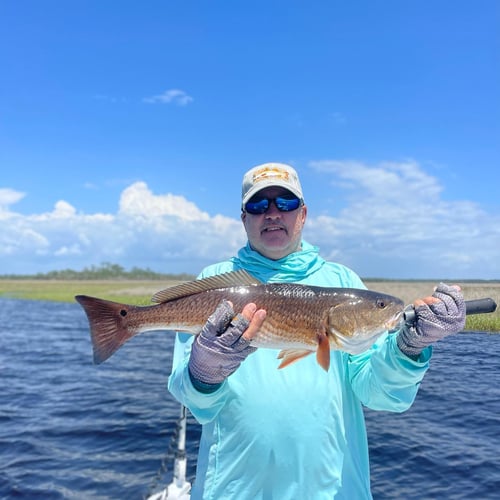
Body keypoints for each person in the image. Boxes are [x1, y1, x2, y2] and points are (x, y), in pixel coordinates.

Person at [168, 162, 465, 499]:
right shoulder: (213, 283)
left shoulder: (344, 282)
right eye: (258, 205)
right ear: (243, 218)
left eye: (286, 203)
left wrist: (408, 348)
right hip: (234, 489)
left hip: (333, 489)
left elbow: (380, 394)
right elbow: (194, 402)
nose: (272, 213)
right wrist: (202, 373)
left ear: (304, 214)